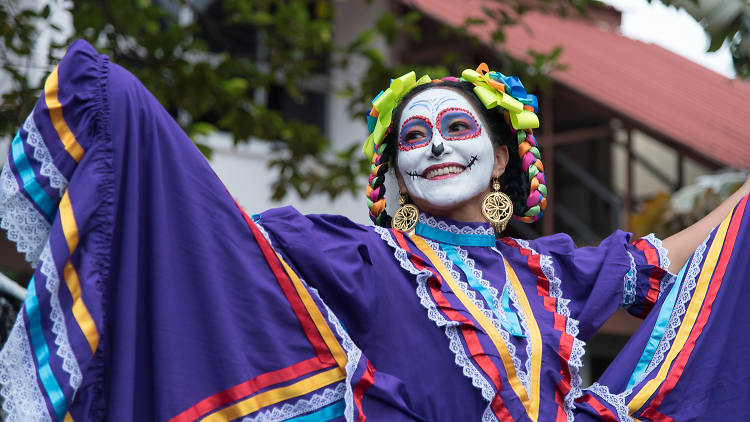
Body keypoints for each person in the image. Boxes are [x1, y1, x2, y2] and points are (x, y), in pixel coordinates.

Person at [1, 40, 749, 422]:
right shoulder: (356, 254)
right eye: (414, 138)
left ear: (501, 162)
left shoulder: (548, 273)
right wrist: (131, 124)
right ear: (393, 176)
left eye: (458, 128)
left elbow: (680, 256)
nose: (437, 147)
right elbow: (213, 246)